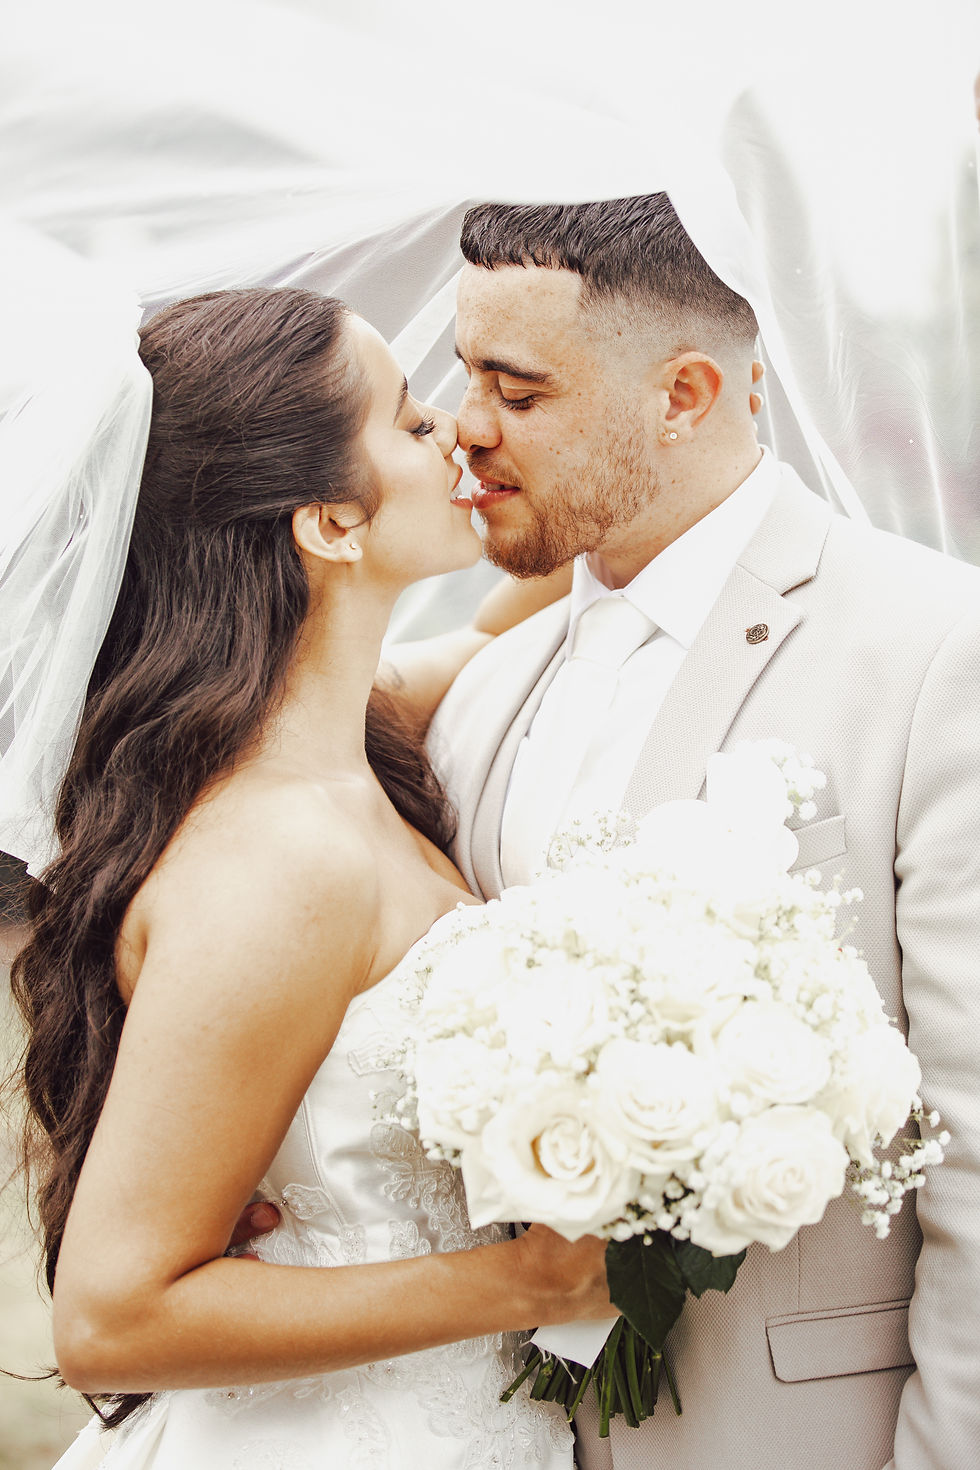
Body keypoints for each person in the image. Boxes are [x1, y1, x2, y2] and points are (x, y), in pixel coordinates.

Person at [419, 196, 980, 1470]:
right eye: (463, 377)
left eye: (516, 389)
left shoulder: (936, 647)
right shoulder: (481, 695)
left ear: (683, 393)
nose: (464, 428)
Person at [10, 285, 613, 1469]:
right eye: (409, 420)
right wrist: (531, 1278)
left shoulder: (349, 740)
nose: (459, 429)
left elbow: (506, 631)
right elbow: (111, 1317)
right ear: (330, 524)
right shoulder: (277, 859)